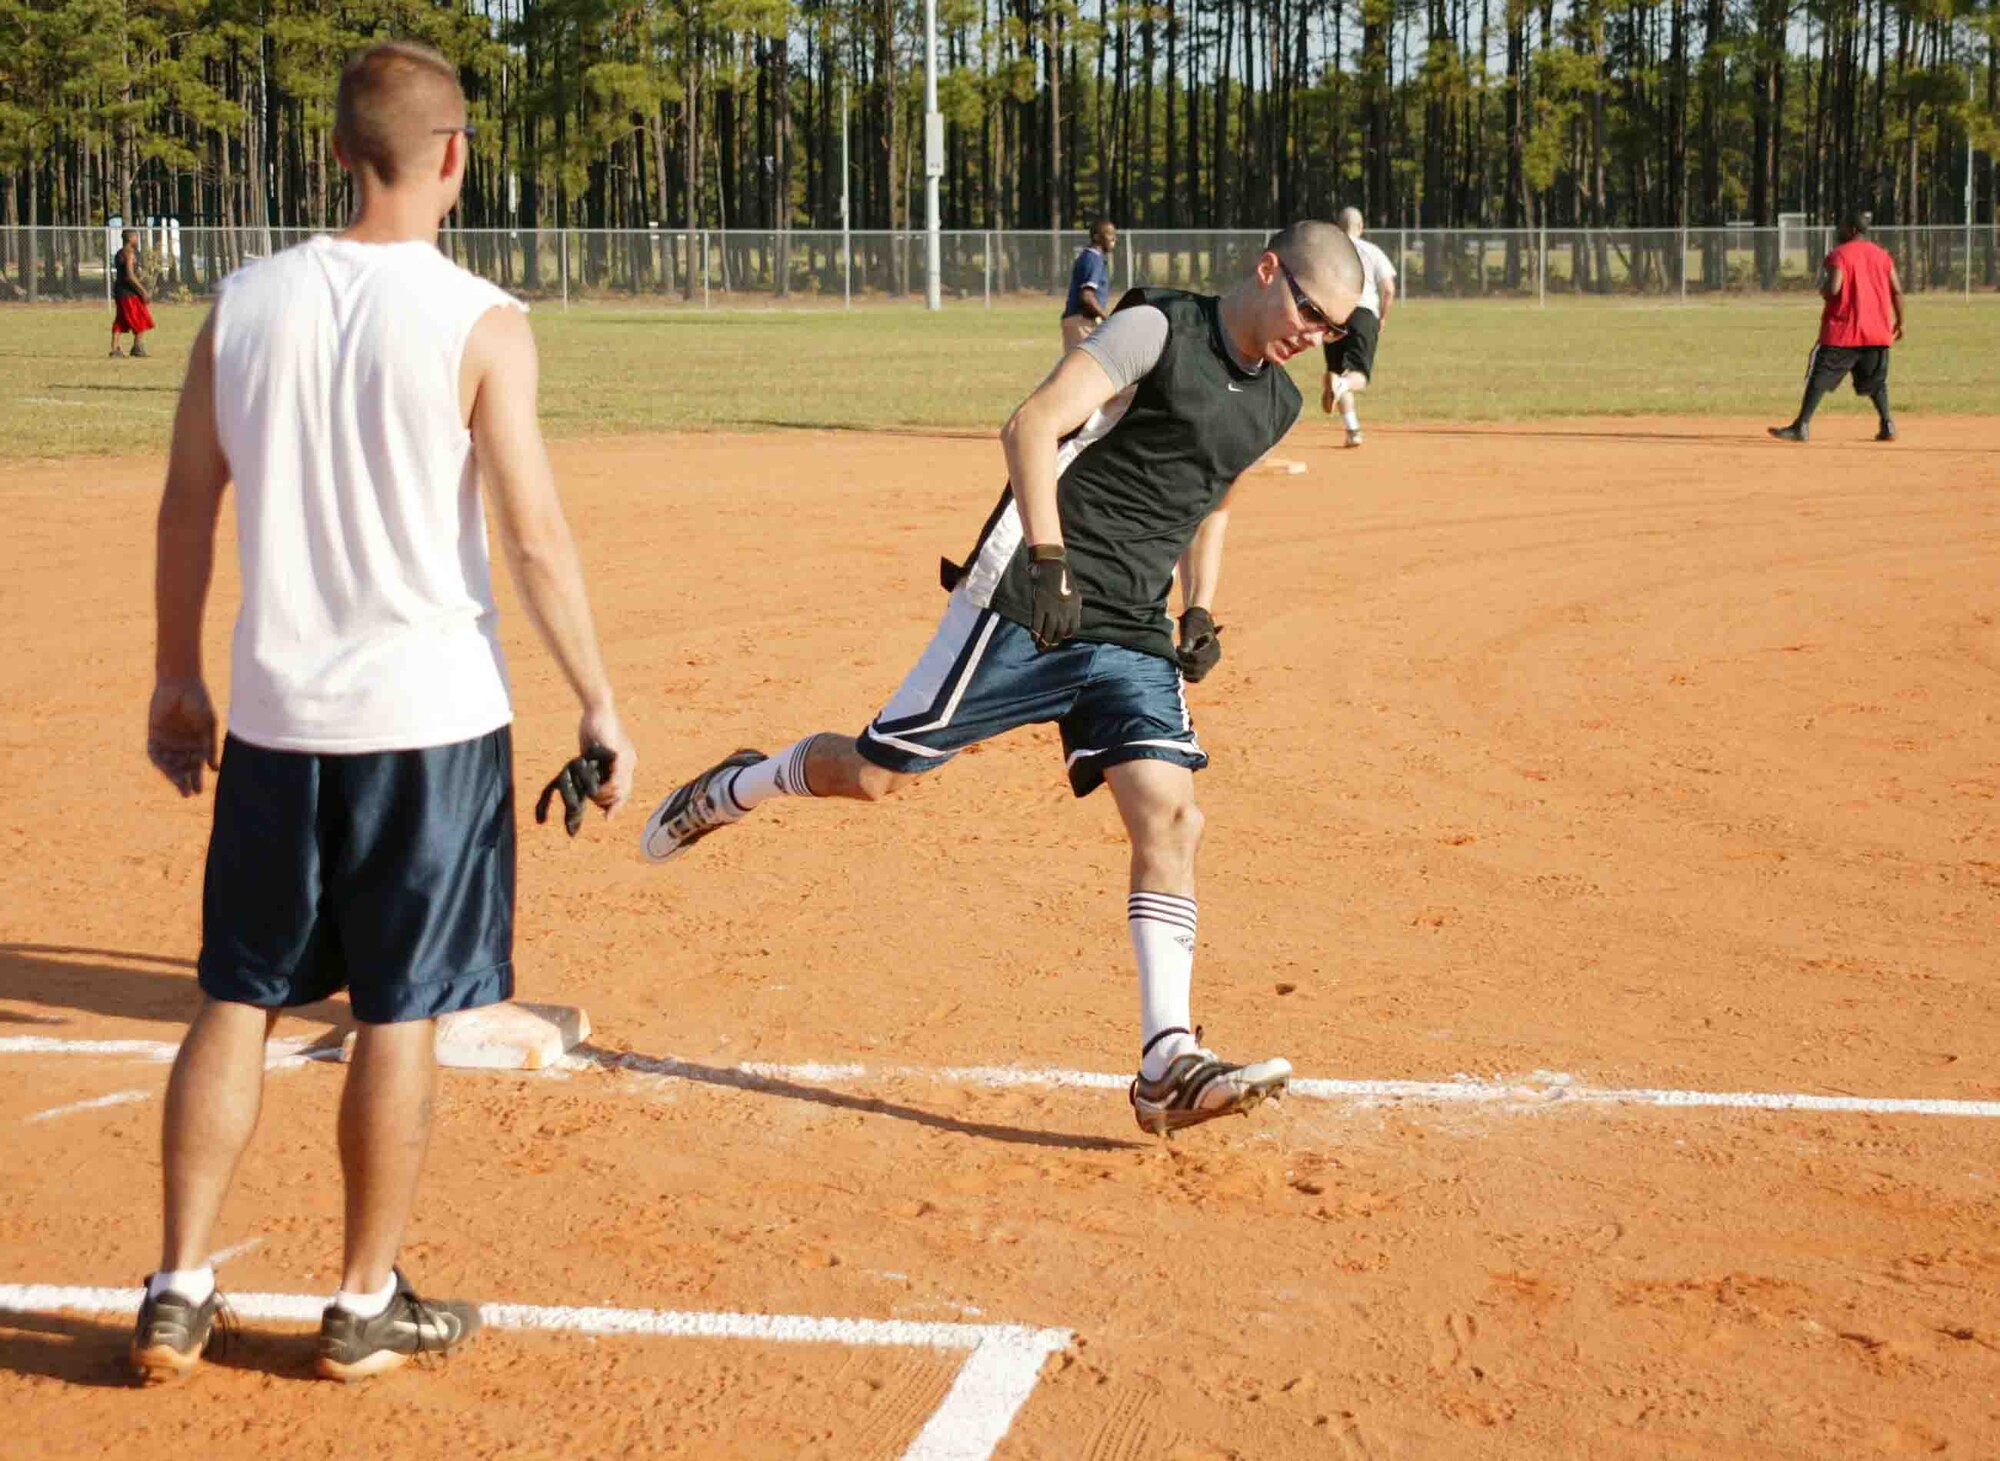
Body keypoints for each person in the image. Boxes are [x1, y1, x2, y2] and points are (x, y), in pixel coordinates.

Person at [134, 40, 636, 1385]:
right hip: (430, 724)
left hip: (279, 716)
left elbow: (189, 502)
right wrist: (596, 698)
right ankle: (362, 1301)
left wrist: (179, 676)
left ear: (337, 155)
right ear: (456, 157)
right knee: (400, 1014)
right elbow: (531, 534)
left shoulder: (241, 303)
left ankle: (179, 1286)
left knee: (236, 997)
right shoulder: (482, 319)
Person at [642, 222, 1363, 1137]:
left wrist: (1201, 608)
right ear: (1269, 271)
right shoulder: (1157, 329)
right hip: (1031, 591)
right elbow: (1031, 424)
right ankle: (740, 782)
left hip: (1131, 624)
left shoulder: (1278, 406)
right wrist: (1051, 559)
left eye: (1332, 326)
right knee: (875, 775)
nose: (1315, 333)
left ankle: (1165, 1061)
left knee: (1173, 814)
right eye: (1309, 310)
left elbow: (1211, 497)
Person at [1770, 210, 1902, 444]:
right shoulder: (1882, 255)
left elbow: (1834, 288)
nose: (1837, 229)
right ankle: (1887, 424)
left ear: (1851, 230)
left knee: (1819, 376)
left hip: (1843, 332)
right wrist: (1900, 320)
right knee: (1875, 381)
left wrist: (1822, 290)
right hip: (1877, 331)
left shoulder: (1839, 254)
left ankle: (1802, 426)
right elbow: (1896, 289)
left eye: (1841, 225)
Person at [1320, 208, 1396, 448]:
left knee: (1337, 370)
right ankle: (1341, 385)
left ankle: (1352, 430)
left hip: (1334, 315)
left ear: (1337, 227)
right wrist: (1382, 317)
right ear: (1361, 226)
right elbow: (1389, 289)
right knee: (1358, 376)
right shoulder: (1372, 251)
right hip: (1363, 313)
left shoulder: (1328, 254)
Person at [1060, 220, 1119, 351]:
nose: (1114, 238)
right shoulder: (1093, 258)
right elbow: (1087, 296)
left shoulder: (1095, 257)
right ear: (1097, 237)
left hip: (1086, 321)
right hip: (1081, 322)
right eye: (1110, 234)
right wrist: (1106, 318)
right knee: (1081, 369)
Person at [112, 229, 156, 358]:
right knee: (141, 318)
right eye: (136, 237)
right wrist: (143, 291)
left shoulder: (119, 253)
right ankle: (137, 347)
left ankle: (115, 349)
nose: (137, 240)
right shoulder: (129, 253)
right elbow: (130, 276)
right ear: (130, 238)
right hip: (129, 292)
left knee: (120, 320)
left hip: (119, 291)